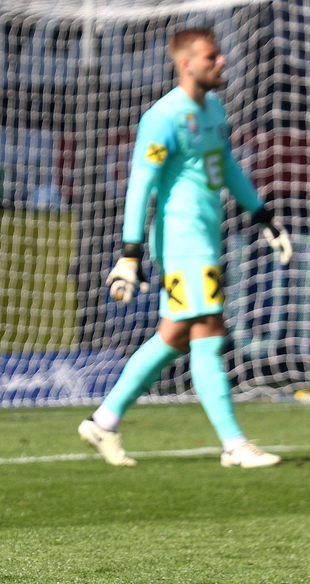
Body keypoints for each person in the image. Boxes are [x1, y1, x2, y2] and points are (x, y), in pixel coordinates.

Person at [79, 28, 292, 469]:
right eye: (212, 57)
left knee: (174, 334)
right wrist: (130, 251)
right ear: (186, 64)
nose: (221, 63)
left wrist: (263, 215)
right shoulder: (163, 117)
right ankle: (234, 445)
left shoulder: (213, 108)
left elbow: (226, 164)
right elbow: (142, 183)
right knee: (210, 330)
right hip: (180, 242)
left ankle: (103, 420)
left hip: (205, 239)